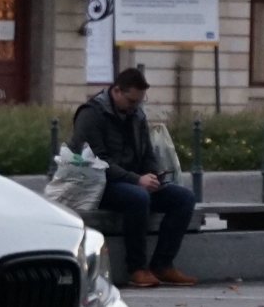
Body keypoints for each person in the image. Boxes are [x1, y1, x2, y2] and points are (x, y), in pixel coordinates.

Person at [72, 66, 197, 288]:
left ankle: (163, 264)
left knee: (184, 198)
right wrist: (136, 180)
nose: (135, 106)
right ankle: (137, 268)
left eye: (139, 102)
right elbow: (96, 162)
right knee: (138, 198)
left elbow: (147, 153)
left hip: (133, 181)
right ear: (117, 91)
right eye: (131, 101)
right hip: (100, 184)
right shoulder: (91, 114)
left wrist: (153, 173)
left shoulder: (136, 115)